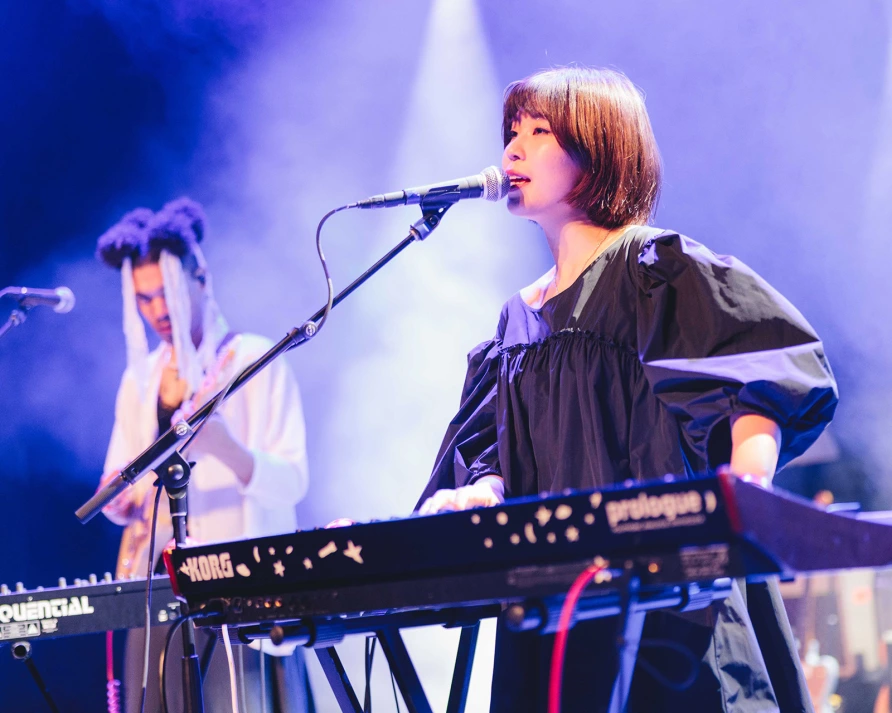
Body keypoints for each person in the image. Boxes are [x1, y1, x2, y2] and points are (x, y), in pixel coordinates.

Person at [417, 67, 838, 712]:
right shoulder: (516, 319)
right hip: (552, 605)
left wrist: (746, 503)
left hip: (672, 596)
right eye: (511, 132)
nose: (512, 150)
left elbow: (764, 372)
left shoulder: (653, 271)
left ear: (601, 147)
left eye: (540, 131)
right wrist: (481, 490)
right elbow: (497, 453)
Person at [96, 197, 313, 713]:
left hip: (241, 587)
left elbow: (294, 481)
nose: (157, 311)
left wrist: (229, 450)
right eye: (143, 299)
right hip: (159, 590)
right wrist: (117, 500)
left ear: (201, 278)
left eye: (166, 292)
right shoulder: (139, 379)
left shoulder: (256, 361)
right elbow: (118, 481)